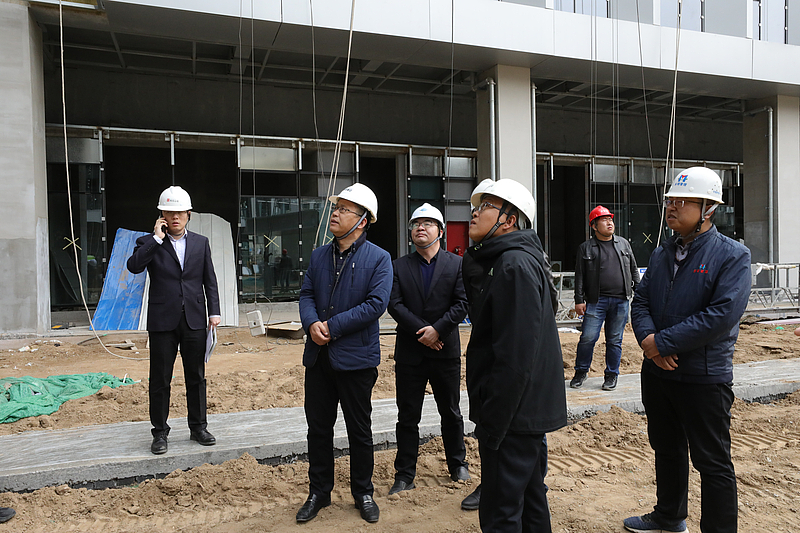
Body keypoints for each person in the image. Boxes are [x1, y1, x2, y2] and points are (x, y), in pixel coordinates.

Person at [625, 167, 751, 533]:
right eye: (670, 200)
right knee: (666, 448)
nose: (672, 207)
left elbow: (721, 315)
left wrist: (662, 342)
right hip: (658, 372)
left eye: (682, 201)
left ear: (708, 209)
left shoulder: (732, 256)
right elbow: (641, 300)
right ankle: (669, 515)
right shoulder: (662, 253)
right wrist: (649, 342)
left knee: (712, 462)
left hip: (703, 375)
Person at [465, 178, 568, 532]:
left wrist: (494, 419)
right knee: (530, 498)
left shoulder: (513, 266)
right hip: (523, 410)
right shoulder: (513, 260)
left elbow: (515, 355)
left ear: (509, 220)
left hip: (512, 412)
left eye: (485, 207)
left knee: (501, 511)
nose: (475, 213)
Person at [296, 183, 392, 524]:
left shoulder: (379, 259)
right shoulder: (319, 255)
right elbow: (307, 293)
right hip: (319, 358)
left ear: (363, 221)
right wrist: (311, 324)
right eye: (336, 208)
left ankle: (363, 492)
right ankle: (319, 492)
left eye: (344, 209)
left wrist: (331, 327)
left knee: (359, 429)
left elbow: (376, 305)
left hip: (356, 360)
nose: (335, 213)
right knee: (318, 429)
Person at [127, 185, 221, 455]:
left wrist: (214, 312)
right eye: (169, 213)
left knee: (196, 376)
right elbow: (134, 266)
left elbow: (209, 279)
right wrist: (156, 240)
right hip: (162, 320)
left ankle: (198, 427)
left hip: (194, 318)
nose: (175, 217)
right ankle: (159, 433)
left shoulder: (201, 243)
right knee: (160, 379)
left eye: (179, 212)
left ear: (189, 214)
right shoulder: (148, 242)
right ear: (162, 216)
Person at [387, 203, 470, 496]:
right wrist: (424, 332)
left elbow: (462, 303)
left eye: (428, 223)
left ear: (441, 231)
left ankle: (457, 464)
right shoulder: (398, 266)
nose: (420, 228)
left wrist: (438, 330)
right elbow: (394, 305)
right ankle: (404, 473)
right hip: (411, 353)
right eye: (416, 224)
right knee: (408, 416)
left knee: (451, 412)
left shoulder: (457, 264)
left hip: (445, 350)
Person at [571, 205, 640, 391]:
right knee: (588, 338)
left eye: (610, 219)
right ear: (594, 226)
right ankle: (581, 371)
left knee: (615, 340)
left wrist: (639, 291)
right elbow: (580, 276)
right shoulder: (586, 248)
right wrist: (579, 300)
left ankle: (611, 375)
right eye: (604, 220)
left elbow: (633, 269)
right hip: (596, 301)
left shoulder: (623, 244)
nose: (609, 223)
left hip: (621, 301)